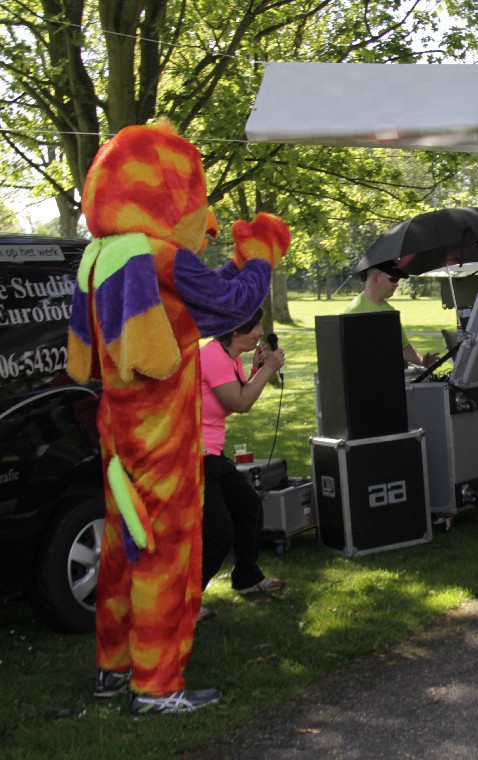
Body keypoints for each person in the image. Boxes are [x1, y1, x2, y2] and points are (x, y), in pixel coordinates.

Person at [69, 122, 287, 715]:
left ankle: (113, 668)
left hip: (118, 431)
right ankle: (157, 685)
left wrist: (234, 265)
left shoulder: (101, 256)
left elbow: (193, 303)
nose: (203, 218)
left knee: (123, 547)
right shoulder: (159, 254)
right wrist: (259, 258)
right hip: (162, 436)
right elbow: (233, 305)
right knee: (164, 552)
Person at [199, 309, 286, 618]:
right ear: (235, 331)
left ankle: (247, 577)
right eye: (255, 327)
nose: (260, 333)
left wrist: (255, 371)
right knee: (218, 532)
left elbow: (236, 395)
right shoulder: (212, 356)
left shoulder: (229, 357)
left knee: (249, 505)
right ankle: (184, 600)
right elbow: (240, 403)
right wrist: (268, 369)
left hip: (212, 454)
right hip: (194, 456)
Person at [345, 261, 439, 366]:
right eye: (393, 279)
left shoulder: (390, 312)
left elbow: (402, 346)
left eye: (397, 279)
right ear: (375, 278)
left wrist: (422, 361)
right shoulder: (355, 311)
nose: (397, 284)